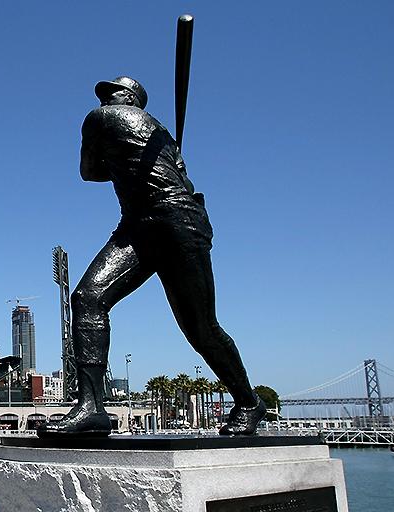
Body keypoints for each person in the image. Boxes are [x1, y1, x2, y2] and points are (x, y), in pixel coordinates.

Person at [37, 76, 266, 438]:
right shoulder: (162, 138)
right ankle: (92, 409)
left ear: (132, 98)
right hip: (138, 228)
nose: (106, 98)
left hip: (176, 223)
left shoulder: (101, 118)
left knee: (201, 330)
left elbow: (88, 172)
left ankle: (250, 403)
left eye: (115, 92)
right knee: (87, 298)